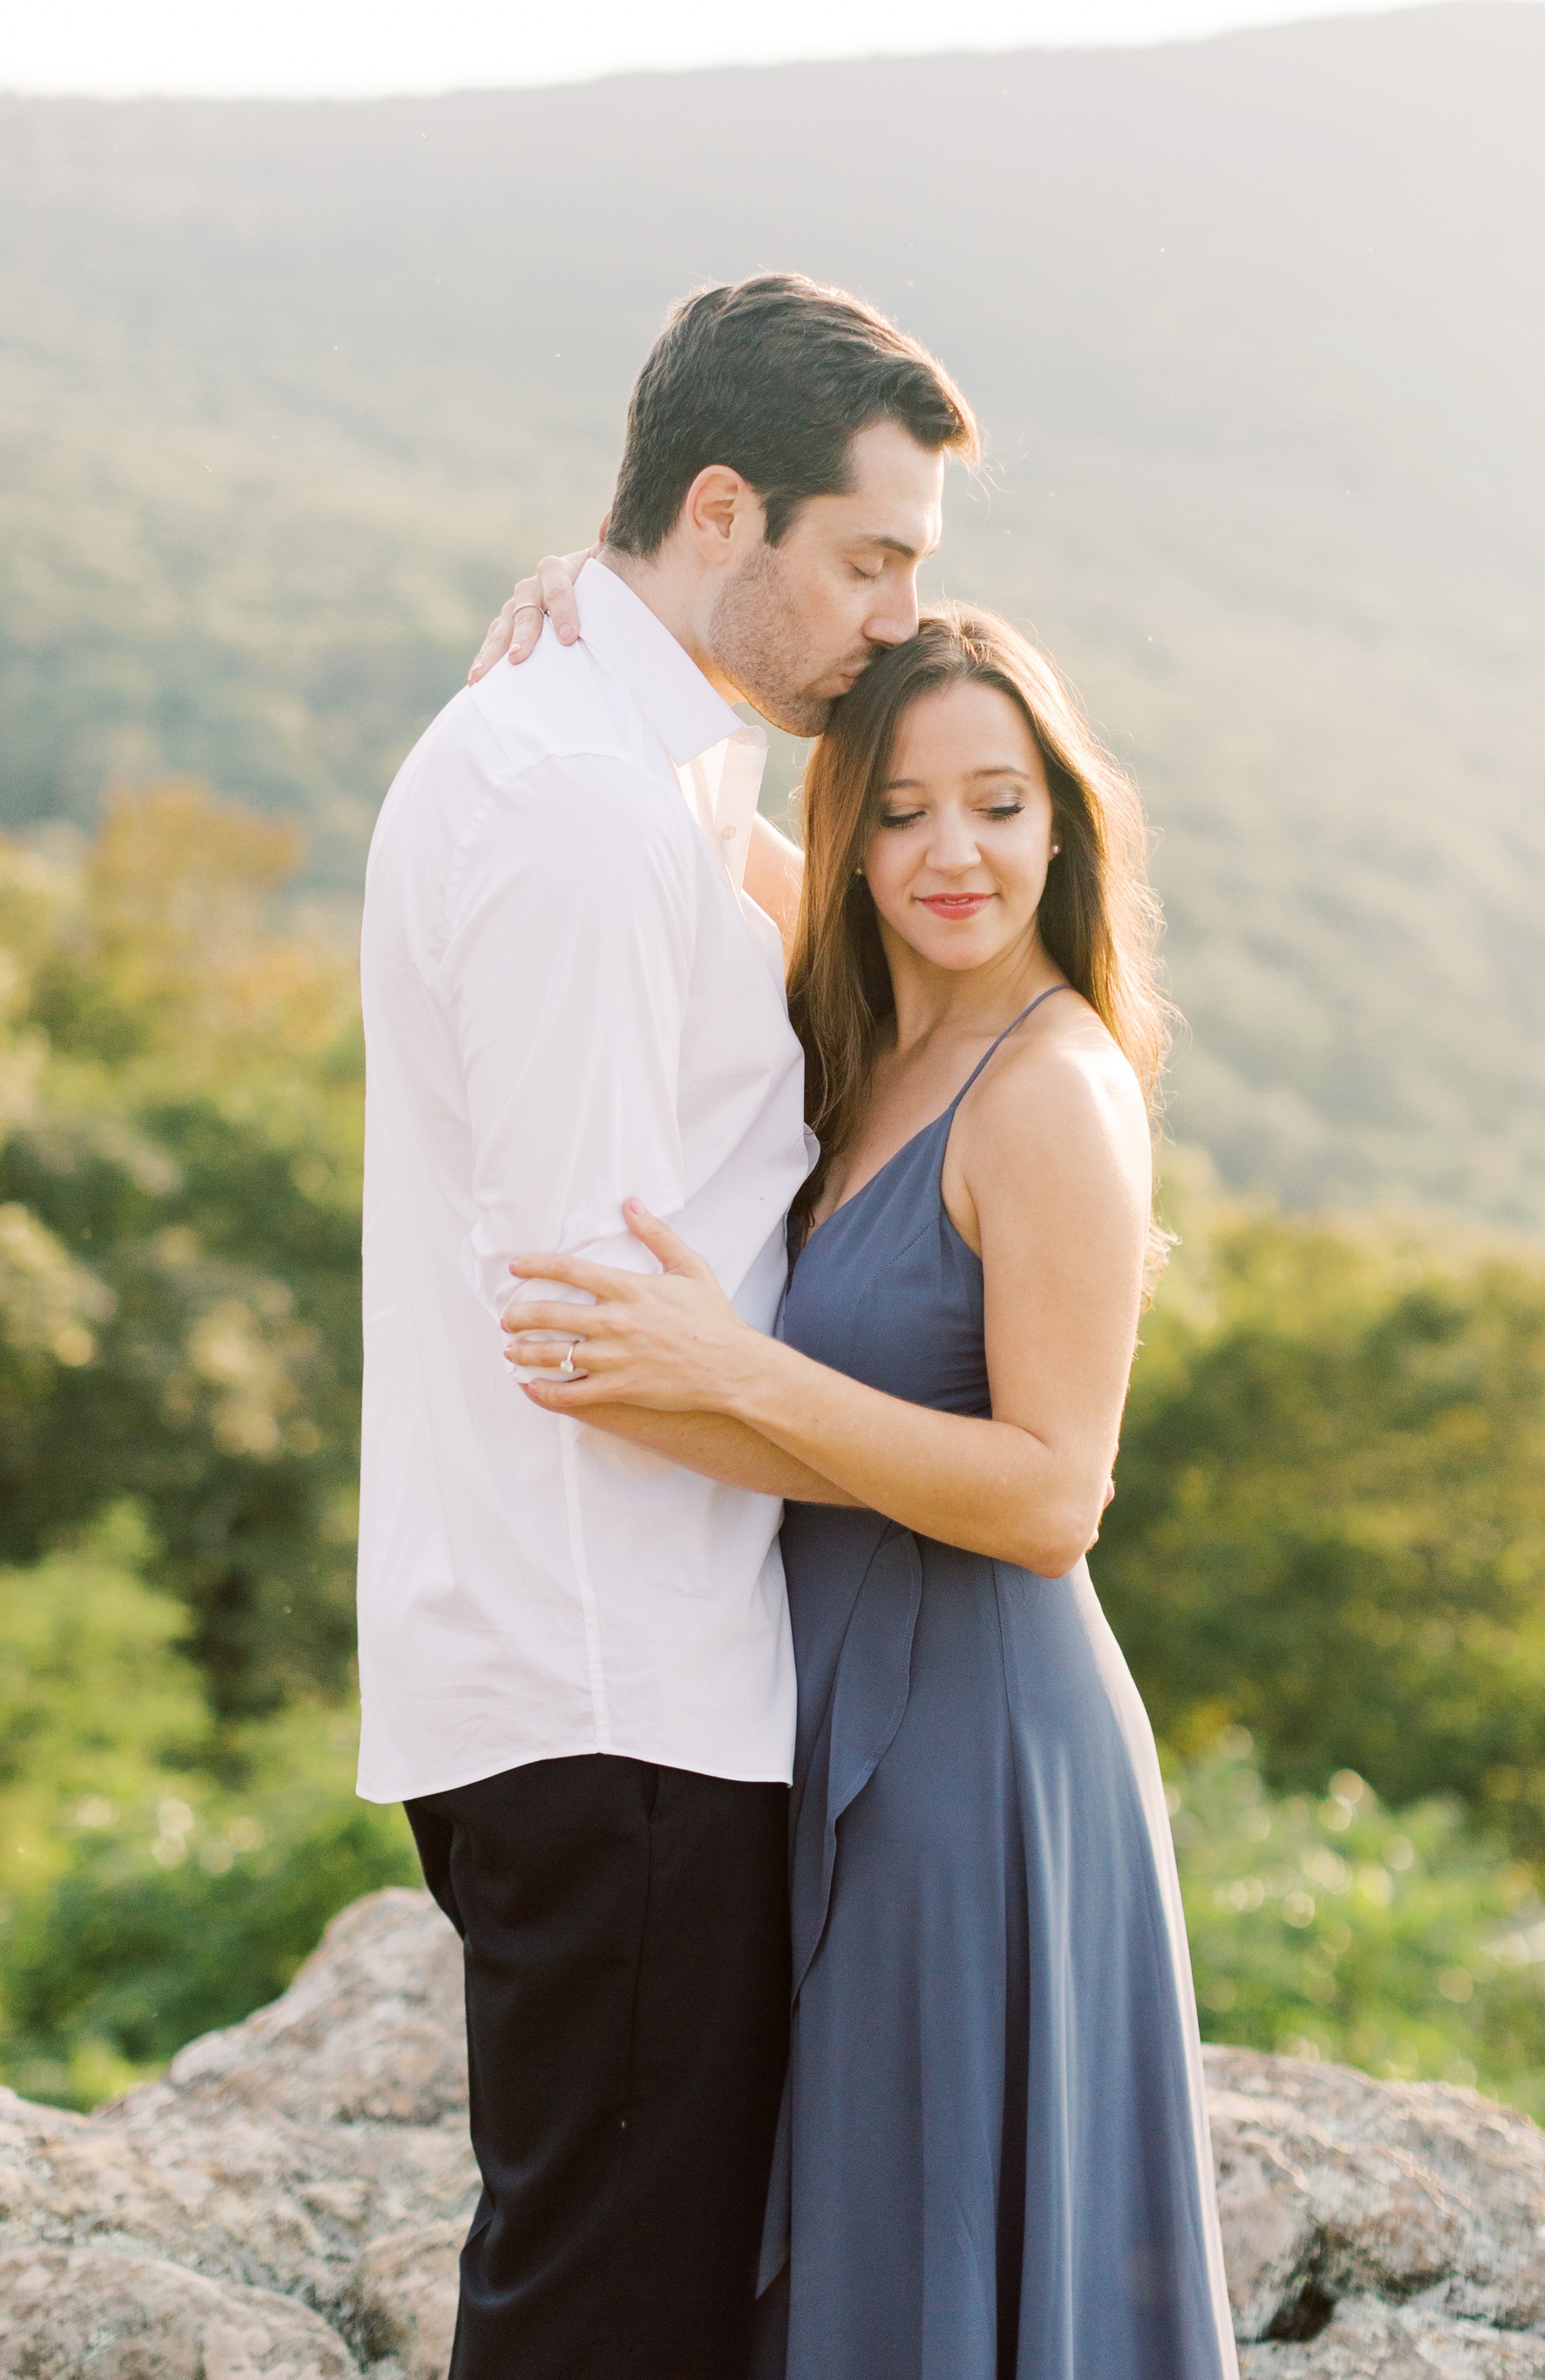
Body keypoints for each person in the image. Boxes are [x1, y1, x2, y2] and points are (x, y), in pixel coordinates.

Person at [497, 605, 1239, 2380]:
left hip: (969, 1749)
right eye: (898, 812)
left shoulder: (1051, 1087)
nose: (948, 853)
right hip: (827, 1709)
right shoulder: (870, 1026)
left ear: (1062, 821)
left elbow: (1055, 1497)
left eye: (996, 803)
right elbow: (679, 811)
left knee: (916, 2241)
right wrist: (593, 605)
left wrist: (732, 1370)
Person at [357, 273, 977, 2380]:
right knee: (604, 2321)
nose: (897, 612)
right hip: (606, 1675)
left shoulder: (654, 762)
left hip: (636, 1669)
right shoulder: (579, 803)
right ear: (723, 512)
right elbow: (592, 1333)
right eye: (867, 559)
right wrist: (957, 1480)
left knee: (638, 2293)